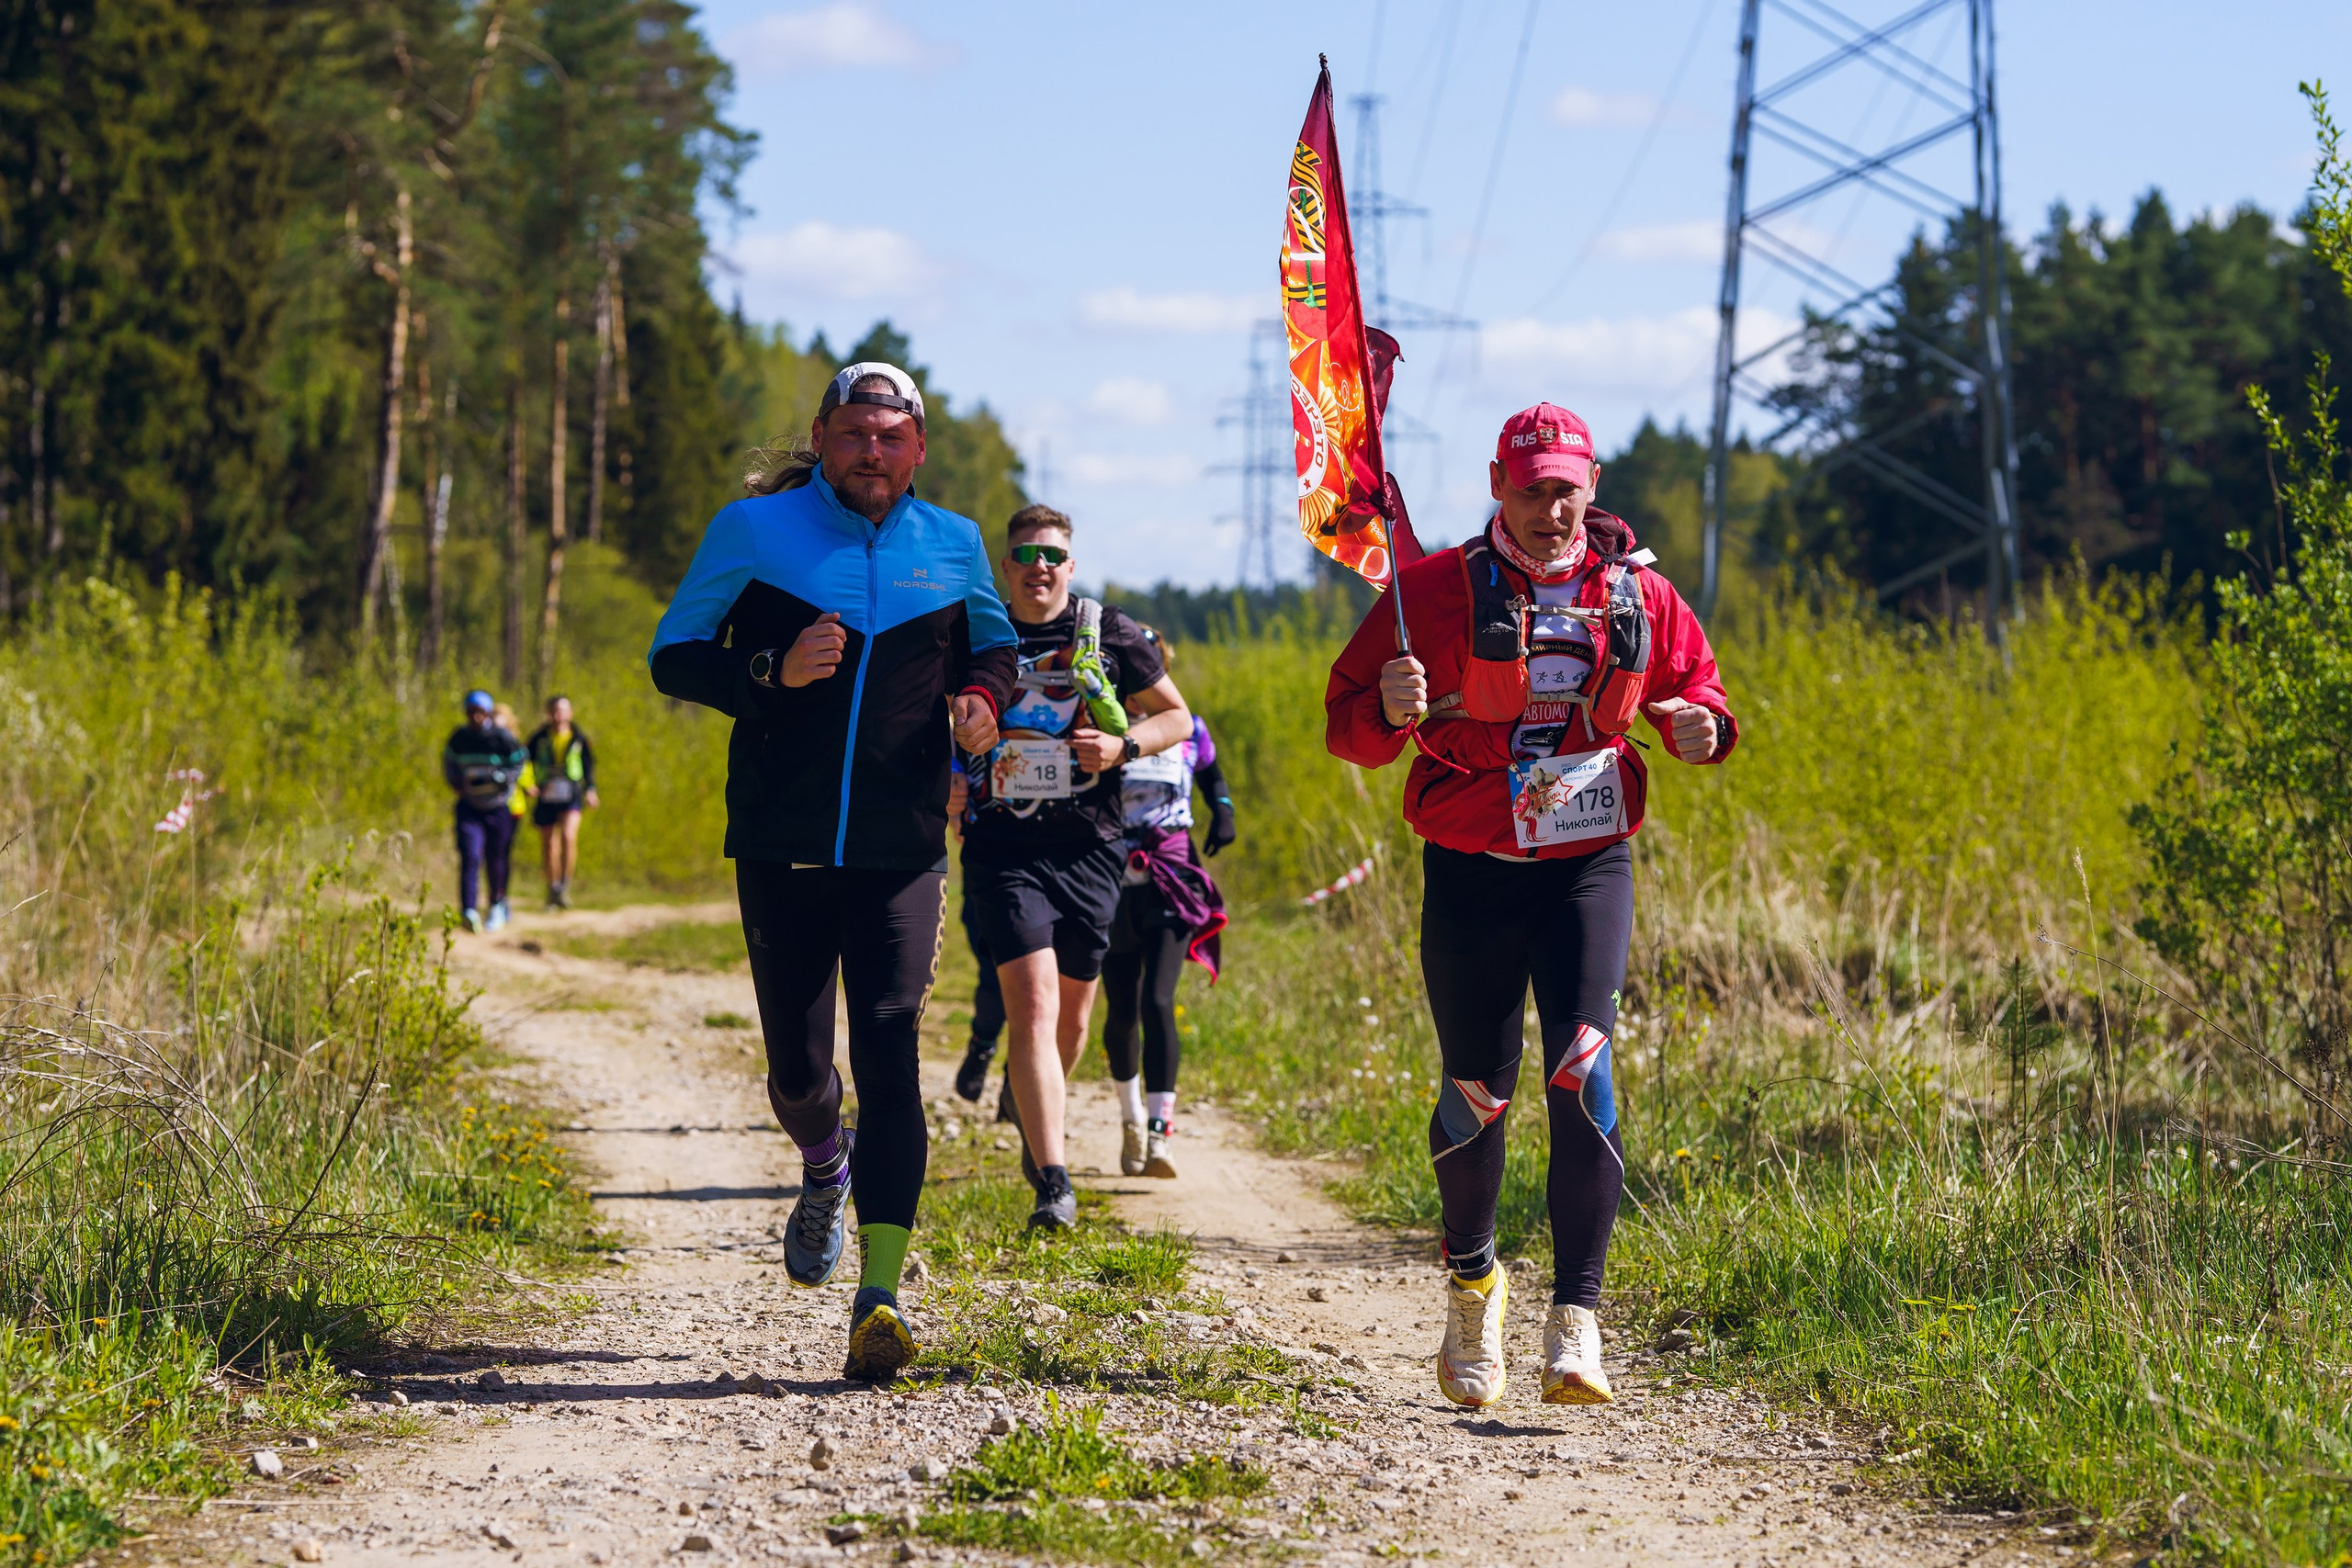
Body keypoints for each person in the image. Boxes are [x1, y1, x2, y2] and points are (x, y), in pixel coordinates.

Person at [1325, 403, 1738, 1410]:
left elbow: (1709, 701)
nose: (1550, 509)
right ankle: (1473, 1290)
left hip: (1587, 861)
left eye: (1566, 489)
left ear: (1590, 488)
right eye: (1530, 489)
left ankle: (1577, 1325)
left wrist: (1705, 730)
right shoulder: (1429, 593)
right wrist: (1387, 702)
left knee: (1582, 1067)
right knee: (1476, 1088)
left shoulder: (1642, 594)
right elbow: (1345, 726)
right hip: (1472, 863)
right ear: (1498, 488)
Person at [647, 361, 1014, 1382]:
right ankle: (823, 1162)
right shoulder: (753, 533)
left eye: (891, 438)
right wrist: (768, 671)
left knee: (892, 1048)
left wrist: (982, 702)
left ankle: (880, 1298)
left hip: (902, 845)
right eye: (855, 435)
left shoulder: (954, 543)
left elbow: (993, 652)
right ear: (823, 436)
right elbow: (674, 655)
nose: (872, 453)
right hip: (783, 841)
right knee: (803, 1078)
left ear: (918, 449)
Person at [957, 505, 1192, 1231]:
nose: (1040, 566)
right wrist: (952, 771)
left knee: (1073, 1013)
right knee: (1031, 1001)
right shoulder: (977, 632)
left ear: (1071, 564)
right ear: (1005, 565)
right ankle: (1053, 1179)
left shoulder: (1107, 631)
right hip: (1003, 842)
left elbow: (1176, 717)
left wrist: (1123, 748)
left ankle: (1037, 1114)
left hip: (1092, 845)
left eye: (1053, 554)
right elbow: (929, 716)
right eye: (1025, 552)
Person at [1099, 625, 1234, 1179]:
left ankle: (1160, 1137)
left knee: (1158, 1002)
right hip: (1109, 883)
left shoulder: (1189, 727)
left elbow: (1212, 776)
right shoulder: (1100, 726)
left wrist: (1222, 810)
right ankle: (1130, 1122)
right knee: (1121, 1009)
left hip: (1172, 878)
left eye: (1152, 665)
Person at [442, 690, 528, 933]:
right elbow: (448, 762)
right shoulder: (459, 738)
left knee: (496, 857)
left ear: (487, 712)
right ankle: (468, 910)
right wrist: (456, 781)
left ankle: (496, 905)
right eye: (472, 712)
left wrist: (504, 779)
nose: (476, 717)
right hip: (469, 807)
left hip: (498, 808)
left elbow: (520, 761)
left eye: (480, 712)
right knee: (470, 855)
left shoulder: (502, 738)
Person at [524, 694, 600, 908]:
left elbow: (588, 765)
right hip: (546, 794)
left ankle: (564, 886)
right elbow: (524, 762)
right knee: (549, 845)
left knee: (568, 836)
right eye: (554, 711)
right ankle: (553, 888)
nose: (558, 715)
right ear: (548, 714)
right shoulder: (538, 738)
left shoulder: (578, 738)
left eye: (563, 710)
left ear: (570, 713)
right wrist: (528, 784)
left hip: (571, 793)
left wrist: (591, 790)